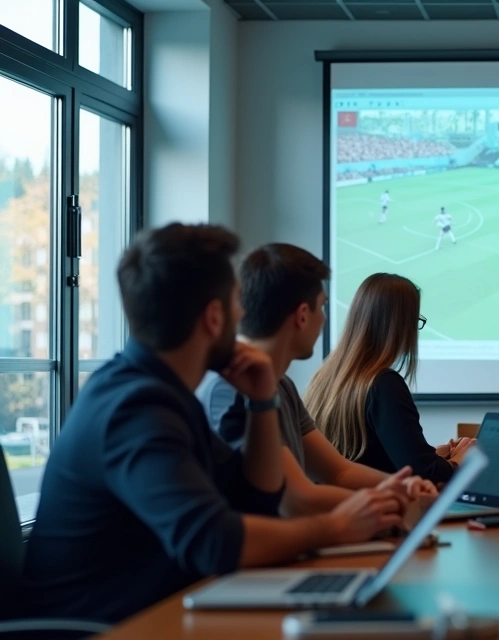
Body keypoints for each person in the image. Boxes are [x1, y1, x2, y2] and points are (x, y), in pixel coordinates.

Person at [19, 224, 405, 623]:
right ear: (214, 316)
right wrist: (334, 528)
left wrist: (261, 402)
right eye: (237, 301)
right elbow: (215, 542)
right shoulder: (135, 408)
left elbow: (259, 496)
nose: (244, 314)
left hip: (153, 615)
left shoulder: (160, 392)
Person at [198, 243, 437, 516]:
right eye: (322, 307)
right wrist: (393, 500)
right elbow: (298, 499)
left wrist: (407, 487)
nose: (324, 319)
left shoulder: (282, 385)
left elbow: (339, 471)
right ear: (302, 315)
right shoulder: (229, 390)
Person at [305, 273, 475, 483]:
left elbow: (372, 459)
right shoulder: (383, 384)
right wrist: (460, 462)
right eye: (415, 320)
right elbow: (423, 473)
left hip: (341, 507)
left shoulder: (324, 378)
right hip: (377, 511)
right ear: (401, 325)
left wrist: (433, 456)